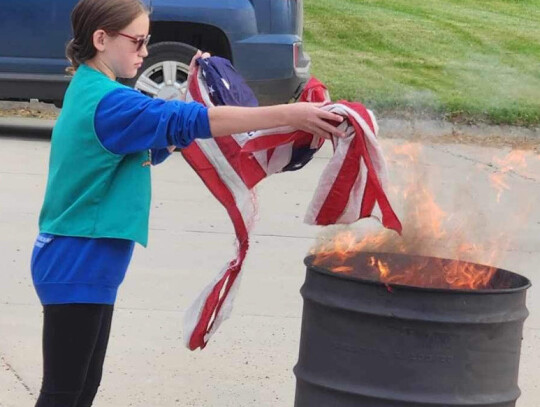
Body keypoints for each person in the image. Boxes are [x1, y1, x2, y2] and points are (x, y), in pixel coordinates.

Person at [30, 0, 345, 405]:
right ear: (101, 39)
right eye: (139, 41)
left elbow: (157, 141)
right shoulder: (109, 101)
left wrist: (195, 88)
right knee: (63, 393)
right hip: (77, 259)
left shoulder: (96, 90)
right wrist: (290, 115)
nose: (145, 52)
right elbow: (196, 122)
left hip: (84, 258)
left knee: (81, 388)